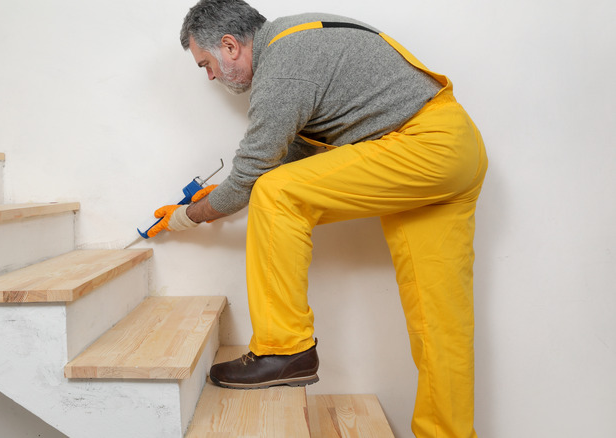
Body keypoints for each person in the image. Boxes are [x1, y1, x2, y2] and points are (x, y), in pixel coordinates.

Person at [149, 1, 487, 436]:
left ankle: (283, 349)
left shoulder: (283, 67)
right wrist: (225, 193)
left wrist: (187, 217)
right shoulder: (297, 40)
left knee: (277, 193)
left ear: (230, 45)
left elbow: (260, 172)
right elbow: (299, 154)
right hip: (452, 148)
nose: (211, 76)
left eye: (207, 64)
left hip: (422, 147)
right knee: (441, 322)